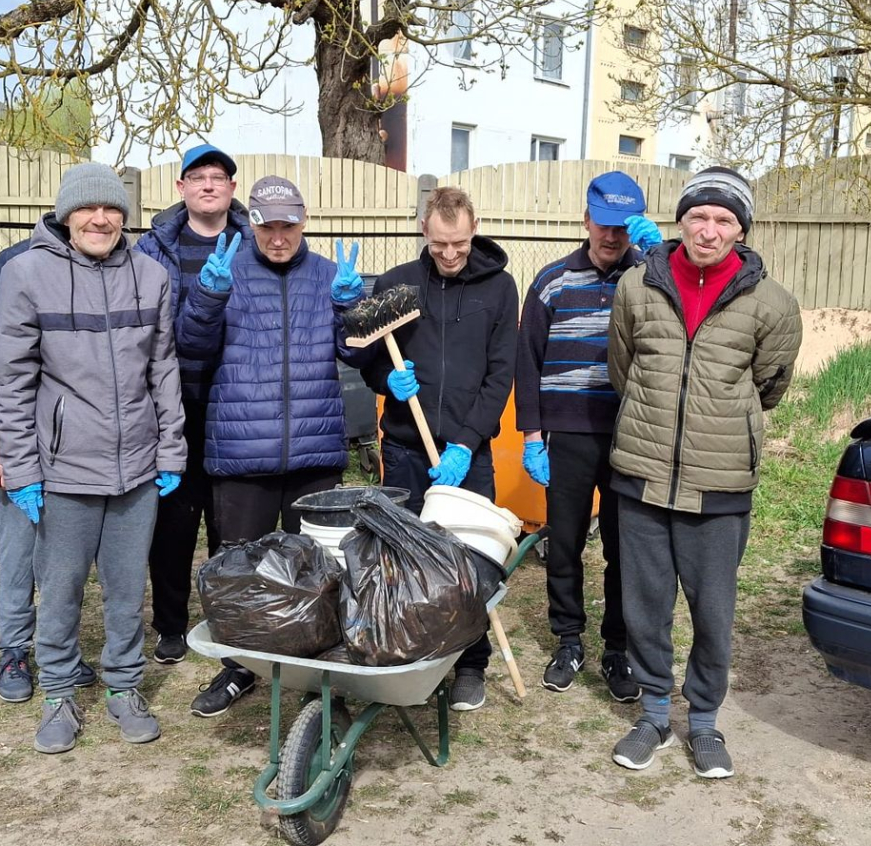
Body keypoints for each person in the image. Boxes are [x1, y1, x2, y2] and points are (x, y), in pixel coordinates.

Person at [606, 167, 802, 779]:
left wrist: (718, 428)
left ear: (741, 231)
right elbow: (624, 369)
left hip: (720, 483)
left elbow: (767, 386)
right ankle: (655, 713)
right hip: (642, 473)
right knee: (645, 604)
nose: (709, 230)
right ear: (680, 221)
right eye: (698, 217)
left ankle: (706, 722)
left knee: (712, 608)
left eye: (723, 220)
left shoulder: (773, 305)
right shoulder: (638, 287)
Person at [0, 162, 188, 754]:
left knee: (128, 591)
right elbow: (13, 378)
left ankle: (125, 688)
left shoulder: (150, 277)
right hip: (64, 469)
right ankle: (56, 695)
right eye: (88, 210)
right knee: (62, 588)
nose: (100, 220)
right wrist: (23, 469)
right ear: (66, 215)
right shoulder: (25, 275)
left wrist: (171, 450)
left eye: (111, 210)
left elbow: (164, 371)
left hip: (136, 469)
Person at [179, 175, 366, 717]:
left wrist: (350, 312)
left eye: (288, 225)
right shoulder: (226, 274)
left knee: (322, 571)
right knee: (242, 573)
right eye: (267, 225)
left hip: (314, 450)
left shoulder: (330, 276)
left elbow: (355, 355)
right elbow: (191, 348)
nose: (278, 237)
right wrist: (208, 297)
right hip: (241, 452)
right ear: (252, 222)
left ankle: (321, 676)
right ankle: (239, 669)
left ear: (303, 222)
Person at [360, 185, 518, 712]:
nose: (450, 254)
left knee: (469, 565)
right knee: (403, 562)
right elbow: (368, 360)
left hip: (466, 455)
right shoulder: (397, 285)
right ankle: (410, 654)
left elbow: (500, 377)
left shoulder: (499, 289)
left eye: (459, 243)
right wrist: (388, 380)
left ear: (474, 230)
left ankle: (470, 667)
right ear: (423, 232)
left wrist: (467, 443)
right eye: (439, 245)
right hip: (406, 448)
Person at [516, 171, 662, 701]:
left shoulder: (649, 279)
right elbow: (526, 362)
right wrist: (533, 435)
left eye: (623, 227)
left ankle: (617, 649)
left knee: (625, 550)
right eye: (603, 225)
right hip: (568, 435)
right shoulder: (552, 281)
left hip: (630, 435)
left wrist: (658, 258)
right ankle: (568, 640)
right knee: (566, 544)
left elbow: (685, 315)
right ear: (586, 221)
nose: (611, 236)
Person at [134, 143, 255, 665]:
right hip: (173, 406)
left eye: (219, 177)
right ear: (181, 189)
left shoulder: (255, 243)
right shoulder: (152, 248)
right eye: (198, 177)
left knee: (232, 526)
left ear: (232, 189)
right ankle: (171, 625)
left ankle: (228, 620)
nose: (209, 184)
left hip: (235, 403)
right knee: (174, 523)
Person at [0, 244, 96, 704]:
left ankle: (58, 648)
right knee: (19, 554)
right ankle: (14, 652)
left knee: (65, 560)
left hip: (73, 447)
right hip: (16, 439)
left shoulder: (103, 267)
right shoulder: (15, 263)